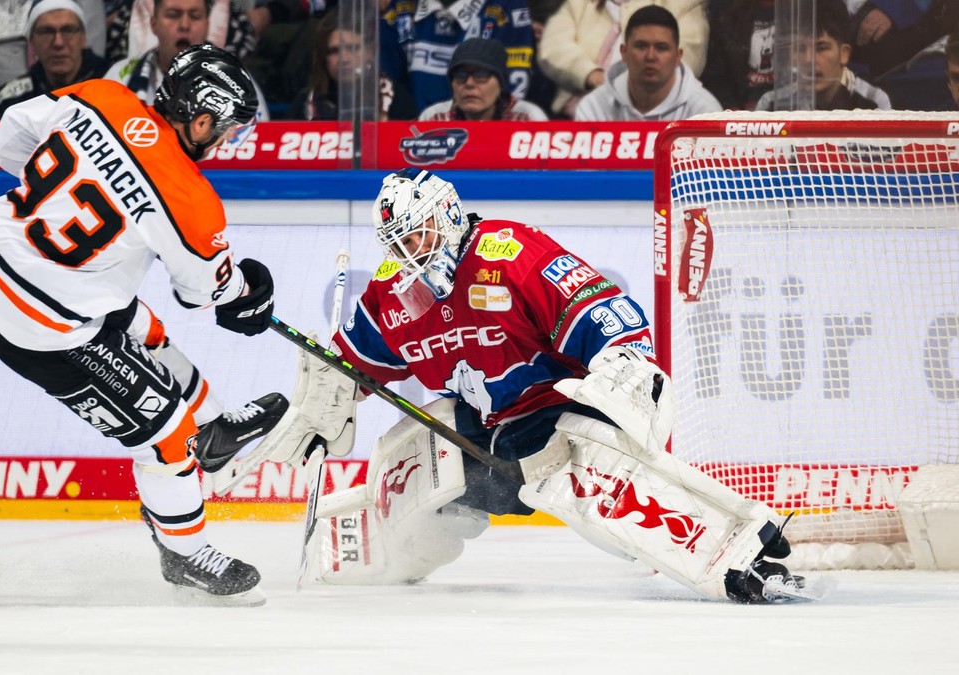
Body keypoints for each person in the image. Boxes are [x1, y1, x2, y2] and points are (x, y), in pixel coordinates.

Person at [257, 168, 804, 604]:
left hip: (557, 406)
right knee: (423, 471)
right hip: (488, 428)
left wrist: (625, 362)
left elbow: (600, 311)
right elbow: (354, 367)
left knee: (578, 470)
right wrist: (324, 404)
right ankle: (358, 552)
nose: (411, 252)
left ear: (448, 216)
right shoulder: (392, 293)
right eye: (398, 243)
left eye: (419, 234)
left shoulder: (510, 253)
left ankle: (737, 551)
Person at [0, 44, 285, 606]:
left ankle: (214, 425)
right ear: (201, 120)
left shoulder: (102, 95)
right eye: (226, 130)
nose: (224, 141)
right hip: (42, 323)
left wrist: (59, 206)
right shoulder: (190, 200)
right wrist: (247, 293)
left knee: (142, 325)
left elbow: (9, 133)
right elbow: (205, 294)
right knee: (167, 437)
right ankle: (184, 553)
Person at [536, 0, 707, 118]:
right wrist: (593, 76)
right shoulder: (579, 4)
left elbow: (686, 61)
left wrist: (624, 88)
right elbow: (552, 46)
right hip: (573, 118)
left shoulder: (682, 4)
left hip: (653, 120)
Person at [105, 0, 270, 121]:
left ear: (207, 25)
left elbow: (254, 143)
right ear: (154, 24)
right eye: (173, 15)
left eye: (195, 16)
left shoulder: (236, 82)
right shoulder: (120, 77)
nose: (184, 25)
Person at [0, 0, 108, 118]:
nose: (58, 42)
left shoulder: (111, 84)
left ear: (83, 38)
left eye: (68, 30)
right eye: (46, 32)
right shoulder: (9, 101)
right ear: (31, 41)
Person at [379, 0, 537, 116]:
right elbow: (386, 81)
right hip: (416, 133)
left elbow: (513, 88)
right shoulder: (400, 8)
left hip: (489, 135)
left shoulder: (506, 6)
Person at [574, 5, 720, 121]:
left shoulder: (705, 111)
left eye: (661, 48)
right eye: (641, 46)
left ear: (678, 56)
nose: (650, 56)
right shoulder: (594, 106)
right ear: (624, 52)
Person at [755, 0, 890, 111]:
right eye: (800, 49)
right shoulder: (770, 105)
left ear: (844, 54)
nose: (808, 59)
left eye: (821, 48)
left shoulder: (874, 102)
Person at [419, 37, 549, 120]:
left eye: (481, 75)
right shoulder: (433, 118)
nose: (469, 83)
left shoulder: (529, 118)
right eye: (460, 75)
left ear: (501, 85)